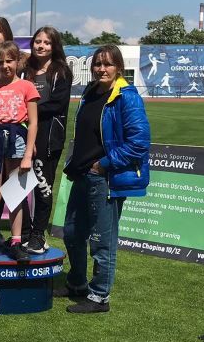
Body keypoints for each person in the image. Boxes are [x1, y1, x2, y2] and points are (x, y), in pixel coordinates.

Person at [61, 44, 150, 313]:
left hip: (105, 178)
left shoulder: (127, 97)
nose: (102, 69)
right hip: (83, 174)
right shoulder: (90, 92)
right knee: (72, 233)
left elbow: (139, 142)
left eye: (108, 64)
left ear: (118, 67)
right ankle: (77, 283)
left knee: (102, 240)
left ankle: (100, 296)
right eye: (98, 64)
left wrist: (105, 164)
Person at [0, 41, 39, 263]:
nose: (5, 66)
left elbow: (33, 123)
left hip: (16, 139)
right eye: (1, 62)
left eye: (9, 61)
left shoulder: (26, 86)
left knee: (15, 195)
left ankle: (16, 241)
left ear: (17, 61)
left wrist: (28, 154)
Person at [21, 26, 72, 254]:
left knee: (42, 186)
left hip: (48, 136)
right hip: (22, 134)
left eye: (47, 42)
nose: (41, 46)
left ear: (54, 46)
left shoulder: (61, 71)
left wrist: (28, 111)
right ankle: (22, 232)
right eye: (38, 41)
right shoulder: (25, 70)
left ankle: (38, 235)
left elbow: (58, 105)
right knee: (17, 185)